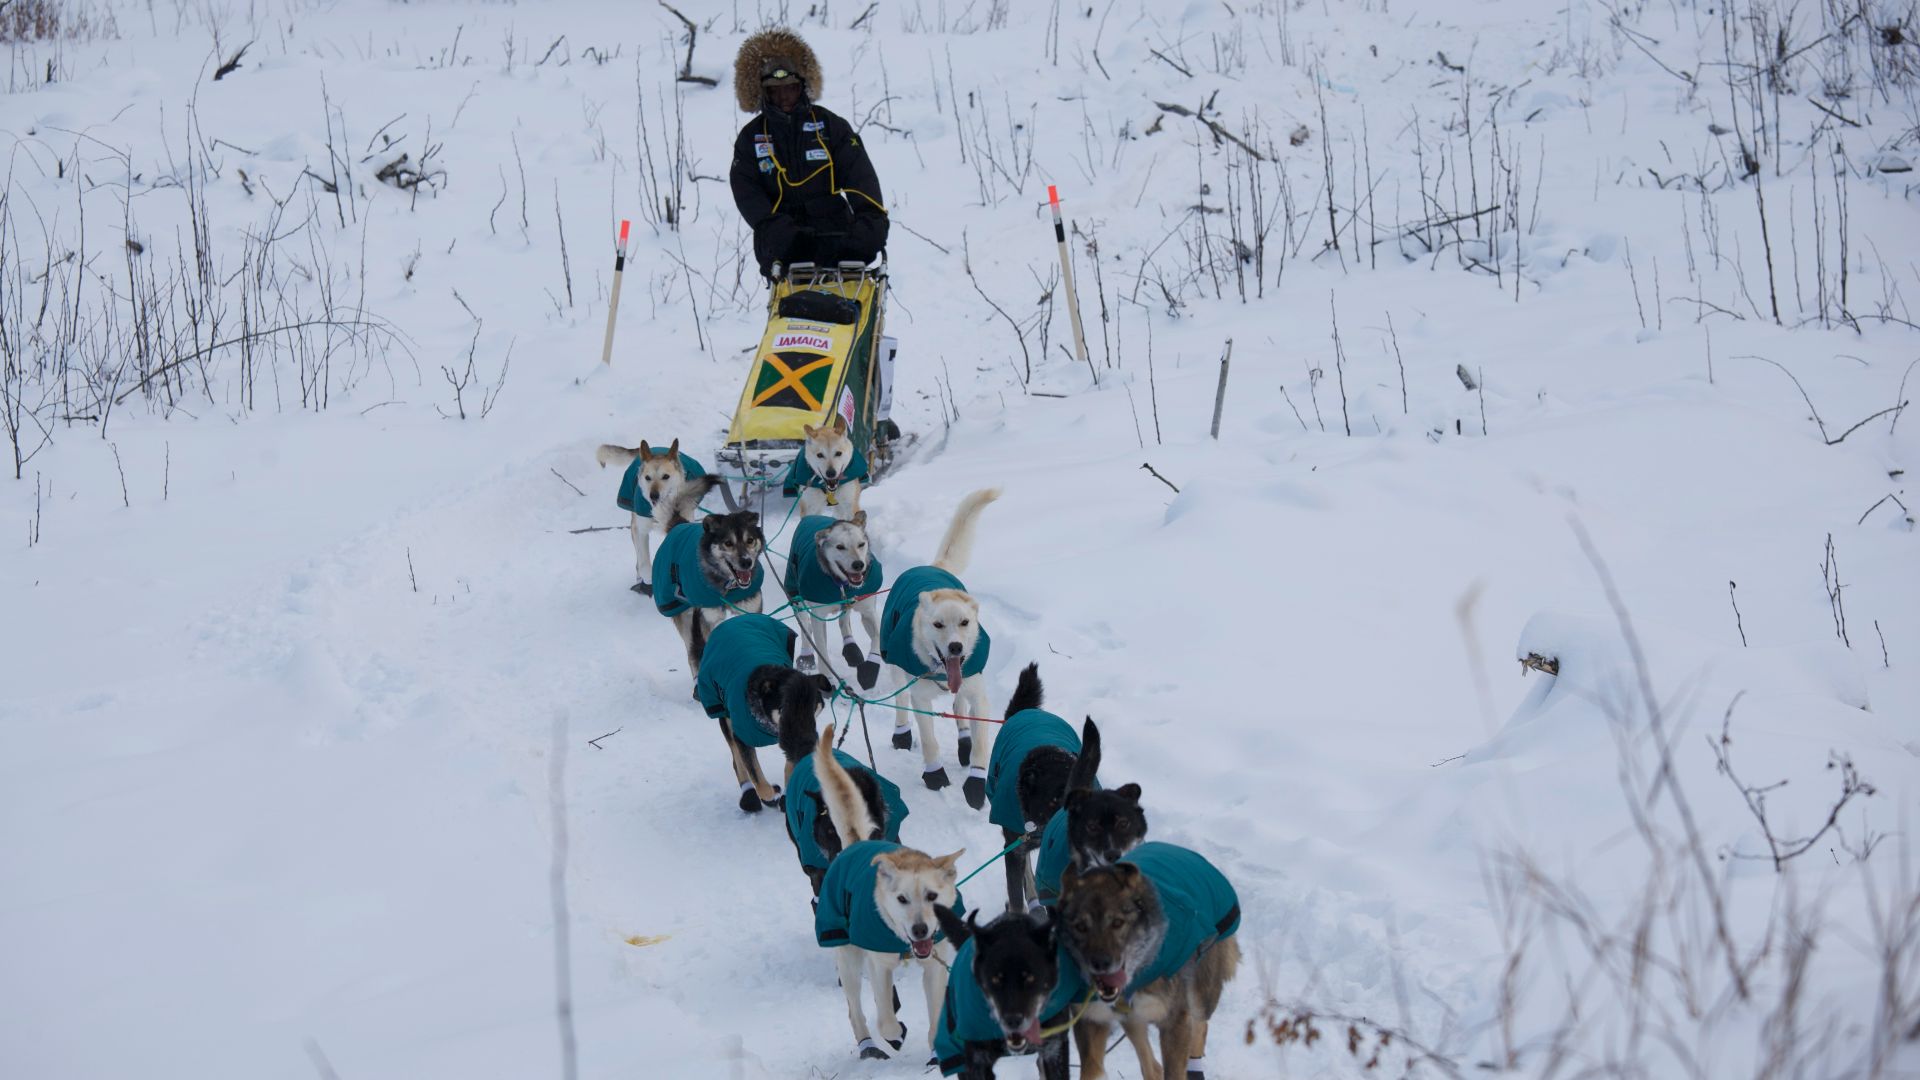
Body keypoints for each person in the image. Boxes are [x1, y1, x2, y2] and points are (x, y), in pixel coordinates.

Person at [730, 28, 888, 279]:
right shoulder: (751, 138)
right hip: (783, 241)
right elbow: (747, 192)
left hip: (838, 234)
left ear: (802, 87)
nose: (783, 98)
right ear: (764, 93)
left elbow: (859, 175)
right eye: (775, 91)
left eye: (790, 89)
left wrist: (871, 219)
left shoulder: (830, 126)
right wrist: (775, 229)